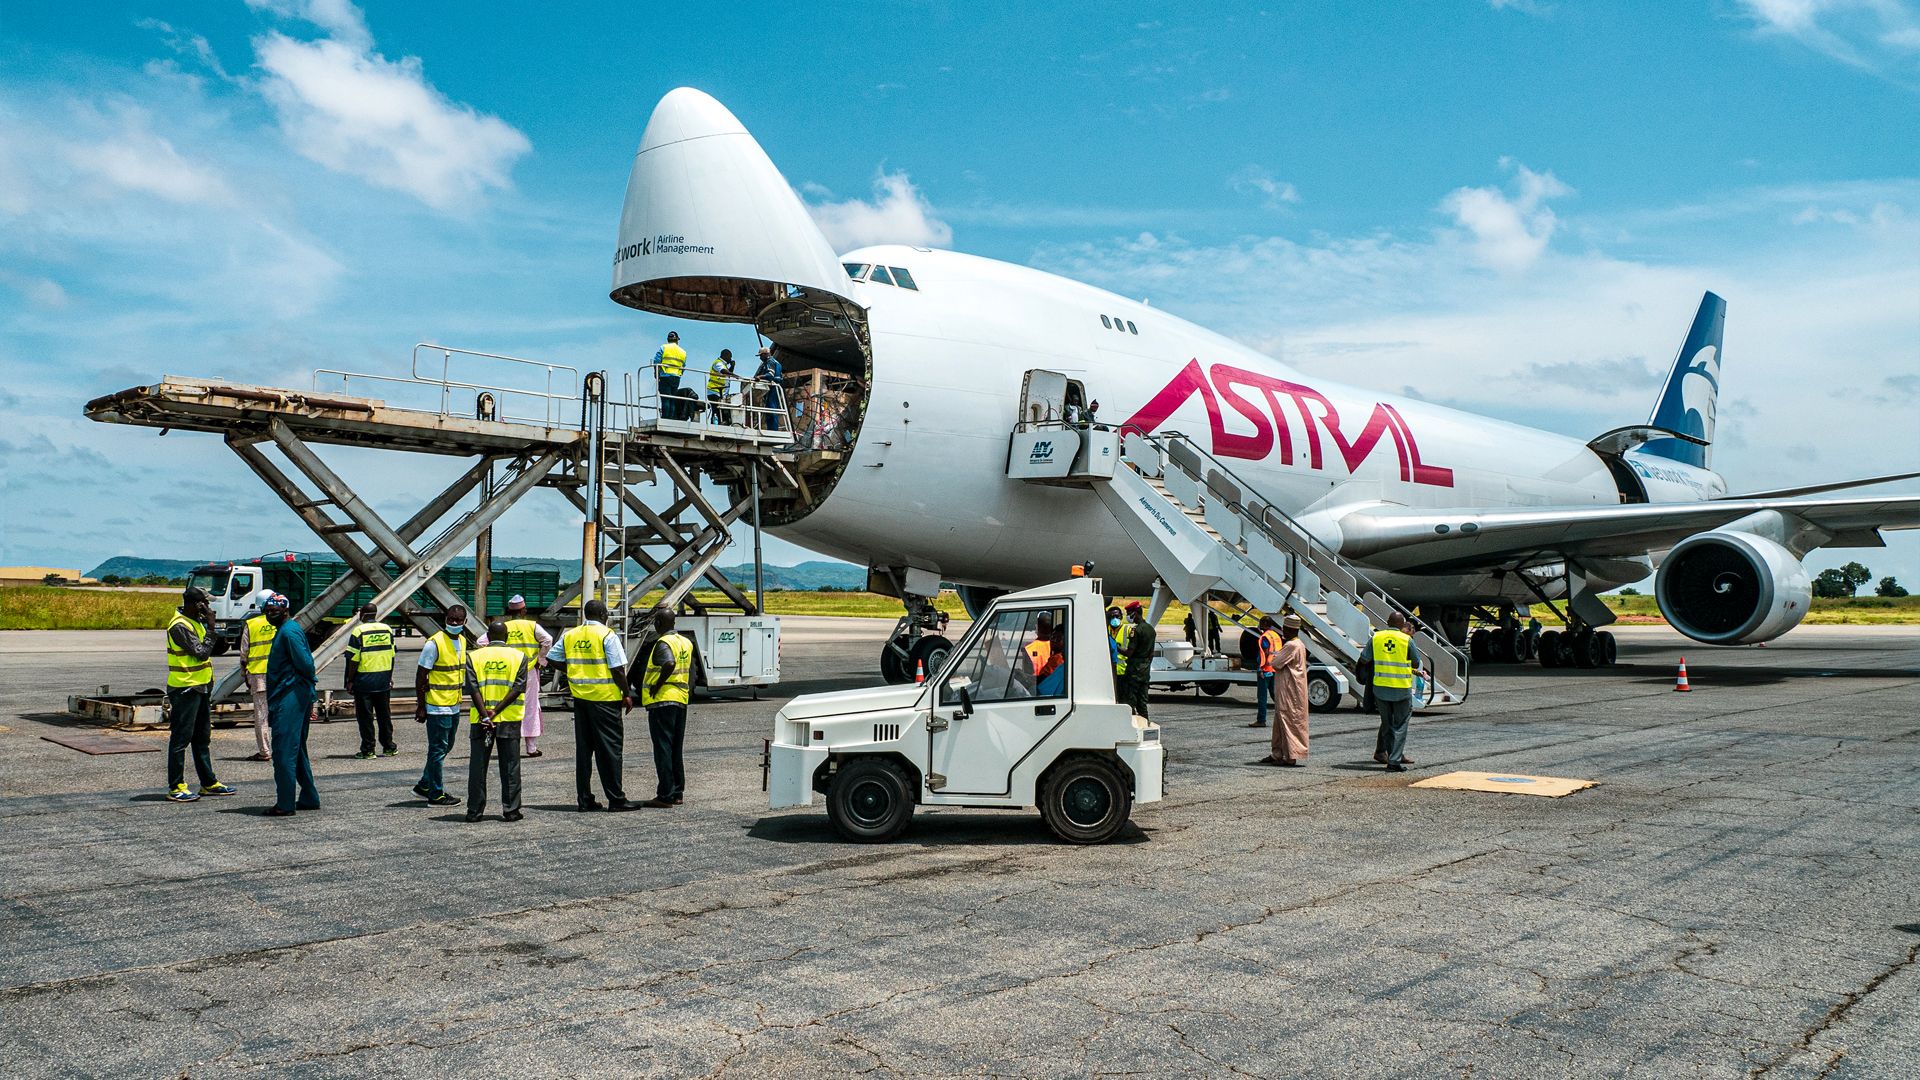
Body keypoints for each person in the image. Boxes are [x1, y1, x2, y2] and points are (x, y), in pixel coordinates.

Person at [550, 599, 636, 811]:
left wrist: (571, 669)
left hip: (581, 700)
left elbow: (551, 657)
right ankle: (616, 799)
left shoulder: (571, 634)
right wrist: (626, 693)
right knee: (611, 750)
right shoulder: (607, 635)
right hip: (605, 700)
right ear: (604, 614)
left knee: (584, 751)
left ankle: (585, 799)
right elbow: (617, 669)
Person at [162, 586, 236, 802]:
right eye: (207, 602)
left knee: (202, 737)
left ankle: (208, 782)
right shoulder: (179, 626)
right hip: (186, 688)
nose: (210, 607)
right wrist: (212, 628)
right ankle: (176, 786)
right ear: (198, 604)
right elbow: (202, 653)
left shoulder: (194, 622)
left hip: (200, 687)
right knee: (181, 739)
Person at [464, 618, 530, 823]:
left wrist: (485, 714)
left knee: (478, 766)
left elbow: (472, 688)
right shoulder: (519, 657)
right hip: (508, 719)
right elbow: (518, 688)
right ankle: (511, 810)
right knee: (510, 766)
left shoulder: (473, 657)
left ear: (488, 637)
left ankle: (474, 811)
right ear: (507, 637)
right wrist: (496, 711)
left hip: (480, 720)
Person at [261, 595, 320, 816]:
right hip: (291, 692)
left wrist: (307, 686)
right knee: (297, 748)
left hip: (291, 693)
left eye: (275, 611)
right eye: (267, 611)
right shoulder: (286, 630)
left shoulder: (289, 632)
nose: (270, 614)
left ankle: (285, 803)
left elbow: (306, 664)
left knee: (284, 749)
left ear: (286, 610)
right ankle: (309, 797)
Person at [477, 596, 551, 758]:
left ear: (509, 611)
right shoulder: (532, 626)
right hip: (528, 672)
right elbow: (548, 640)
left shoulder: (503, 627)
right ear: (524, 610)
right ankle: (531, 747)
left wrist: (495, 654)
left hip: (507, 671)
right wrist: (540, 659)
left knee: (505, 706)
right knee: (530, 707)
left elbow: (480, 642)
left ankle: (507, 744)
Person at [412, 605, 469, 807]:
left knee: (447, 746)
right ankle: (436, 794)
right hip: (436, 705)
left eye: (458, 620)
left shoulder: (462, 641)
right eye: (451, 619)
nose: (454, 623)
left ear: (465, 622)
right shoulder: (434, 643)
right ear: (445, 619)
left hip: (453, 704)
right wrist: (421, 706)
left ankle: (425, 784)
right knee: (437, 750)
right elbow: (421, 675)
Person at [639, 607, 694, 808]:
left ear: (659, 624)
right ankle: (678, 792)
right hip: (681, 699)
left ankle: (665, 795)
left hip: (663, 700)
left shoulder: (663, 642)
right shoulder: (685, 642)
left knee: (663, 748)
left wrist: (657, 684)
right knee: (675, 748)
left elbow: (669, 664)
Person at [1370, 612, 1423, 772]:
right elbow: (1416, 661)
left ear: (1387, 622)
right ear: (1402, 625)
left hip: (1380, 688)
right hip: (1401, 689)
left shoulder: (1376, 637)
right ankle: (1394, 760)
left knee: (1387, 724)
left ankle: (1386, 753)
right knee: (1400, 725)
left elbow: (1365, 658)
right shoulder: (1406, 640)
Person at [343, 604, 397, 759]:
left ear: (363, 614)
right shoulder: (387, 629)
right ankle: (389, 747)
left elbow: (353, 659)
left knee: (366, 718)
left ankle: (368, 750)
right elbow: (391, 656)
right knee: (384, 715)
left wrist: (350, 680)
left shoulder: (359, 631)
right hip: (383, 680)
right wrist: (389, 677)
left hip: (364, 682)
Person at [1262, 615, 1309, 767]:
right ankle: (1277, 753)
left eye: (1285, 629)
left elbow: (1275, 663)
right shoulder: (1299, 644)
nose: (1283, 631)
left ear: (1290, 629)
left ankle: (1290, 756)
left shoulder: (1291, 645)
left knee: (1288, 720)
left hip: (1290, 690)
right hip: (1289, 688)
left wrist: (1274, 655)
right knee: (1280, 721)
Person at [239, 595, 277, 762]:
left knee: (261, 716)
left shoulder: (251, 624)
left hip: (258, 675)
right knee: (280, 714)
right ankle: (283, 749)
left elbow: (244, 654)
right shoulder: (282, 623)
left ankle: (264, 751)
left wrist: (244, 674)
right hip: (279, 675)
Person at [1119, 600, 1156, 718]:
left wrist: (1116, 647)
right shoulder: (1151, 629)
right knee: (1142, 702)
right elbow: (1151, 654)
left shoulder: (1136, 631)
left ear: (1135, 614)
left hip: (1134, 671)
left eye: (1129, 614)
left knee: (1130, 701)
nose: (1128, 617)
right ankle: (1145, 722)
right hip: (1145, 671)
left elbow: (1129, 652)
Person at [1247, 616, 1283, 729]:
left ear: (1265, 624)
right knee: (1275, 695)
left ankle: (1261, 720)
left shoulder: (1265, 637)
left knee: (1262, 696)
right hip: (1275, 669)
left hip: (1266, 670)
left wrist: (1260, 669)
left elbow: (1265, 654)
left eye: (1261, 622)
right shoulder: (1276, 635)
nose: (1259, 625)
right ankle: (1283, 718)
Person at [653, 330, 688, 420]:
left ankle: (665, 418)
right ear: (677, 340)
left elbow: (656, 361)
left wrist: (656, 373)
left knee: (665, 398)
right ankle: (671, 417)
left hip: (665, 376)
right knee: (672, 399)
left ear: (668, 339)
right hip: (676, 377)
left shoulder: (664, 347)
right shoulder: (682, 352)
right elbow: (683, 366)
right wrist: (679, 374)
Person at [751, 347, 785, 432]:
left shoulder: (770, 362)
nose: (760, 358)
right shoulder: (772, 362)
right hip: (773, 387)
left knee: (771, 408)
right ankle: (772, 429)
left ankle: (773, 430)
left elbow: (770, 374)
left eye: (761, 355)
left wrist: (760, 377)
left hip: (773, 387)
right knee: (770, 409)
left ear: (766, 354)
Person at [1035, 626, 1068, 697]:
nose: (1054, 640)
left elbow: (1042, 680)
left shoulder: (1058, 660)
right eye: (1053, 637)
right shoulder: (1054, 657)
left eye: (1058, 638)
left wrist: (1027, 679)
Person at [706, 348, 735, 425]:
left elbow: (728, 373)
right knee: (716, 411)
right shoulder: (718, 363)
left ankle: (720, 424)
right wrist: (735, 376)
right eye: (730, 357)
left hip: (721, 393)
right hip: (714, 391)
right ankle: (714, 425)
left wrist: (732, 366)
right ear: (725, 355)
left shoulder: (724, 365)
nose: (730, 359)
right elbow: (723, 371)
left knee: (721, 411)